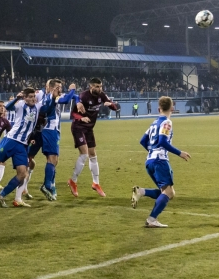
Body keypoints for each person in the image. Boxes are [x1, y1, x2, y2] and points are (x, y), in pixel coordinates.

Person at [0, 87, 57, 208]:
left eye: (34, 97)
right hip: (11, 140)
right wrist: (16, 99)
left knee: (22, 173)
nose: (33, 99)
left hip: (22, 145)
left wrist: (53, 98)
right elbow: (8, 107)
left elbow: (48, 109)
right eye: (30, 97)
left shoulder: (38, 107)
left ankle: (1, 195)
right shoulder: (20, 105)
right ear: (25, 98)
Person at [131, 96, 191, 228]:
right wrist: (179, 153)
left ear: (159, 109)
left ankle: (141, 192)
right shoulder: (167, 123)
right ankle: (151, 219)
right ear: (172, 108)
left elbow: (143, 141)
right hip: (160, 161)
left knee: (168, 192)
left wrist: (152, 151)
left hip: (150, 161)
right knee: (168, 193)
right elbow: (163, 142)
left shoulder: (154, 123)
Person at [67, 77, 117, 198]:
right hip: (78, 127)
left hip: (89, 128)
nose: (100, 89)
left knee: (93, 155)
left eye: (101, 86)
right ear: (91, 87)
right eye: (97, 87)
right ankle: (73, 181)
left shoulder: (102, 95)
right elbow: (73, 113)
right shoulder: (83, 96)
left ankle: (96, 183)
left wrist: (110, 104)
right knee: (84, 154)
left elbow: (115, 107)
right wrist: (81, 117)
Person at [39, 80, 79, 201]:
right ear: (52, 88)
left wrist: (76, 98)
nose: (61, 89)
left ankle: (50, 185)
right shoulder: (52, 97)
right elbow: (66, 100)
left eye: (61, 87)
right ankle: (46, 186)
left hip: (53, 131)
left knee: (54, 160)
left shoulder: (53, 97)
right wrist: (72, 89)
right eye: (58, 87)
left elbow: (72, 97)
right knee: (52, 159)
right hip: (50, 131)